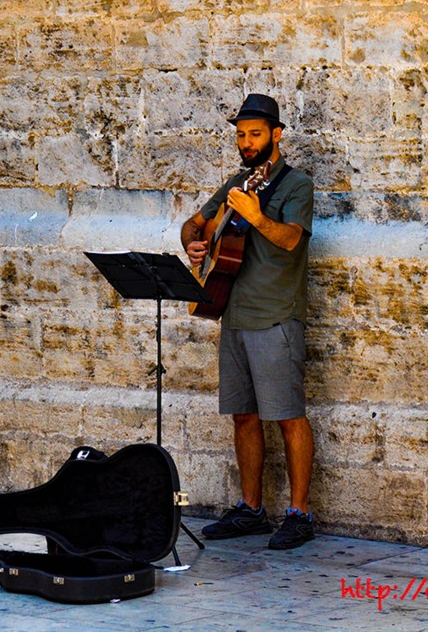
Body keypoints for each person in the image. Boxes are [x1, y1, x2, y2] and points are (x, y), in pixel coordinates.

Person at [180, 94, 315, 550]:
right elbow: (193, 224)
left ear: (277, 135)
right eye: (241, 134)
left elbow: (293, 240)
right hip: (232, 312)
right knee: (244, 415)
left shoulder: (296, 185)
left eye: (255, 134)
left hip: (275, 316)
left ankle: (299, 513)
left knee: (288, 416)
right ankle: (252, 510)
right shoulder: (236, 183)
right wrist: (194, 246)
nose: (246, 142)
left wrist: (257, 217)